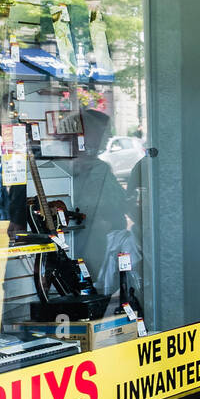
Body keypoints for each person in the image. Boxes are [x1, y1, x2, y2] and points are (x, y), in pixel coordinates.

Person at [70, 109, 134, 284]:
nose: (107, 138)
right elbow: (116, 202)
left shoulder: (93, 166)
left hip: (92, 240)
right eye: (104, 133)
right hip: (94, 242)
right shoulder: (97, 169)